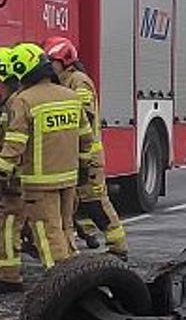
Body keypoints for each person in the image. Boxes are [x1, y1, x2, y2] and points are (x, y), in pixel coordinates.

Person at [0, 45, 84, 282]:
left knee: (47, 234)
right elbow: (86, 136)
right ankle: (78, 277)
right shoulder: (70, 96)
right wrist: (84, 168)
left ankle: (62, 285)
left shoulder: (24, 100)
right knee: (65, 229)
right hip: (69, 176)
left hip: (39, 181)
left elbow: (14, 144)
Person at [45, 36, 128, 258]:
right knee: (74, 203)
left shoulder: (79, 82)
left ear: (64, 61)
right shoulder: (63, 81)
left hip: (88, 155)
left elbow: (83, 117)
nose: (49, 66)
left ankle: (118, 247)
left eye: (52, 61)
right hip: (74, 155)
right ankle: (88, 238)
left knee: (95, 203)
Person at [0, 44, 37, 294]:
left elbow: (13, 145)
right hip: (19, 179)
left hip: (15, 180)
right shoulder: (16, 101)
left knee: (9, 225)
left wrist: (0, 178)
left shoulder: (15, 104)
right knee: (28, 225)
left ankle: (9, 277)